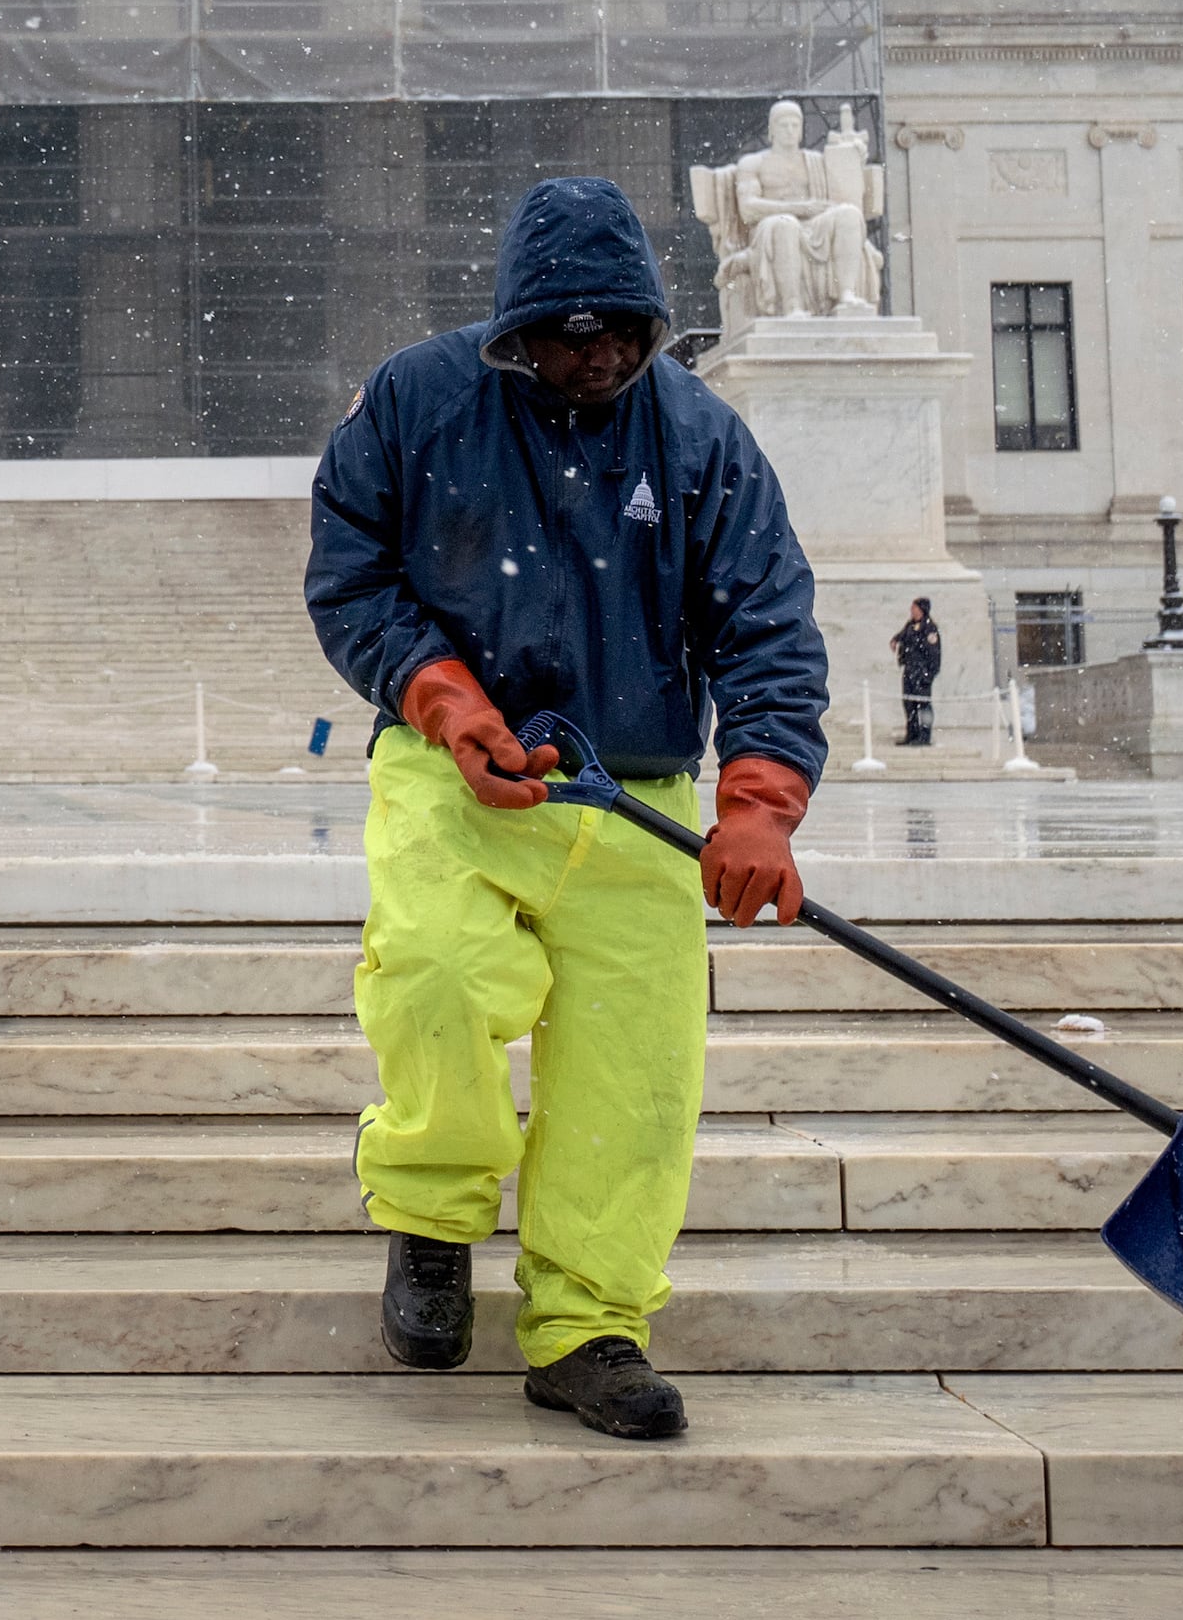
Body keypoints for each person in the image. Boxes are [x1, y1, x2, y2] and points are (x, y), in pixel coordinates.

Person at [306, 174, 828, 1442]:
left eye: (615, 333)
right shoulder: (421, 401)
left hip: (637, 794)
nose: (590, 357)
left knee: (636, 1079)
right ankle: (432, 1221)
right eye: (562, 332)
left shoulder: (700, 438)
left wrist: (758, 801)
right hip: (456, 768)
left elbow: (767, 623)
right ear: (513, 328)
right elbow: (350, 568)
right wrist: (438, 692)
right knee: (433, 972)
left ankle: (590, 1323)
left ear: (651, 325)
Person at [893, 597, 942, 747]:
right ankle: (912, 734)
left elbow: (934, 655)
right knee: (909, 704)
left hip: (922, 673)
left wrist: (929, 675)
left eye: (914, 609)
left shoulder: (929, 629)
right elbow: (902, 635)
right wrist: (895, 641)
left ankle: (924, 736)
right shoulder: (911, 625)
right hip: (909, 670)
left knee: (924, 705)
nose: (912, 611)